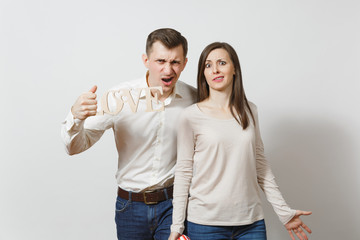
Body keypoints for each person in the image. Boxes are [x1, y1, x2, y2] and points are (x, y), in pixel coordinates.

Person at [61, 28, 196, 240]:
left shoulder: (193, 98)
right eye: (160, 61)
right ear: (146, 60)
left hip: (173, 205)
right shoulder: (119, 98)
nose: (168, 70)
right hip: (130, 208)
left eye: (175, 62)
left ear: (185, 63)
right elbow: (74, 147)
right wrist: (75, 117)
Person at [168, 42, 312, 240]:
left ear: (234, 68)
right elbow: (183, 172)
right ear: (203, 73)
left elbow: (260, 165)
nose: (215, 70)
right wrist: (177, 225)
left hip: (251, 224)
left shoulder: (250, 110)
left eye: (221, 63)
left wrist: (284, 212)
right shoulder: (190, 116)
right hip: (205, 224)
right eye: (208, 65)